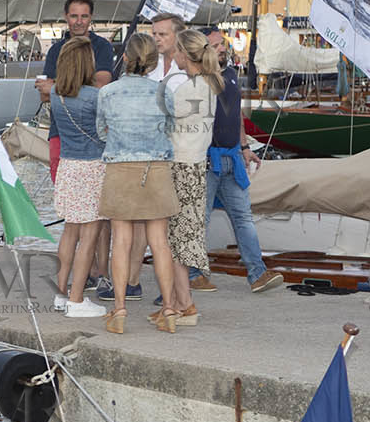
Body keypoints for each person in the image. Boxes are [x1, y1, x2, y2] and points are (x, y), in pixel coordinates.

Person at [95, 32, 180, 334]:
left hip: (120, 168)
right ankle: (168, 309)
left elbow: (101, 131)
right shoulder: (164, 92)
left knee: (121, 241)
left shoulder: (108, 92)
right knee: (160, 242)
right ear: (153, 62)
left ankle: (119, 310)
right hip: (156, 168)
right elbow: (171, 128)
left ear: (125, 58)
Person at [201, 28, 283, 292]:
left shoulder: (230, 74)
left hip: (232, 157)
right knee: (200, 220)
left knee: (243, 217)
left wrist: (245, 146)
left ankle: (257, 274)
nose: (221, 49)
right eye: (215, 45)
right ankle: (193, 274)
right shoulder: (198, 79)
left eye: (222, 44)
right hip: (206, 161)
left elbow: (235, 114)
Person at [161, 28, 222, 326]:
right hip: (196, 166)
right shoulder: (210, 84)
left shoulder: (188, 90)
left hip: (180, 168)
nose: (173, 55)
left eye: (176, 50)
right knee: (185, 236)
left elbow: (164, 123)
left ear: (185, 54)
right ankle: (173, 304)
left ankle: (185, 306)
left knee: (175, 240)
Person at [48, 37, 108, 318]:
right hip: (92, 167)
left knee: (69, 231)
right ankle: (77, 299)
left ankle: (61, 293)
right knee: (90, 234)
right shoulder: (96, 97)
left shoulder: (55, 94)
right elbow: (104, 133)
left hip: (68, 166)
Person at [35, 0, 116, 182]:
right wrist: (82, 85)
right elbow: (45, 96)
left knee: (97, 190)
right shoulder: (55, 50)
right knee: (62, 188)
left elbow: (102, 85)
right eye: (74, 16)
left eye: (84, 16)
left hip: (95, 133)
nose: (79, 22)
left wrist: (57, 86)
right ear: (66, 17)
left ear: (91, 18)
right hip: (60, 133)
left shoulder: (102, 47)